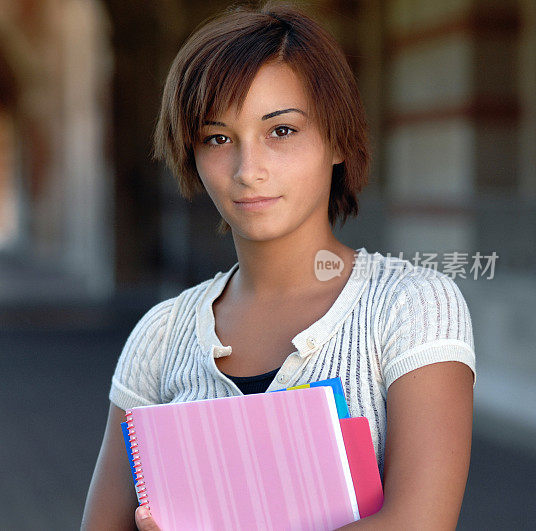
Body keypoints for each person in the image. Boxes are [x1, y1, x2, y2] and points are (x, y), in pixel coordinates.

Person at [81, 2, 476, 529]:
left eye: (281, 130)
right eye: (217, 138)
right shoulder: (161, 335)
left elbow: (420, 523)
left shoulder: (412, 307)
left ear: (337, 139)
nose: (249, 170)